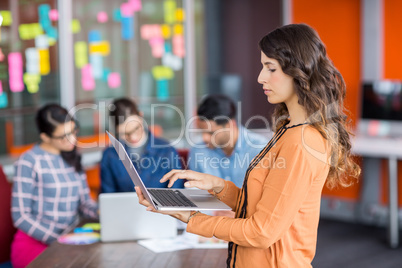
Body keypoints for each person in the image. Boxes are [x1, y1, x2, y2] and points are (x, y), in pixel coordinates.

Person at [136, 23, 361, 267]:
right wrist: (217, 185)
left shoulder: (300, 141)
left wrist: (192, 218)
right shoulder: (289, 130)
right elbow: (262, 207)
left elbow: (261, 231)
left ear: (298, 71)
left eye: (270, 68)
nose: (260, 77)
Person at [10, 104, 98, 268]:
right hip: (35, 245)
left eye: (73, 131)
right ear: (45, 137)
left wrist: (100, 211)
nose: (72, 139)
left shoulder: (72, 156)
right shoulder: (29, 161)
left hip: (69, 242)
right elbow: (20, 215)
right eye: (64, 136)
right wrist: (57, 239)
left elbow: (84, 203)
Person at [100, 97, 184, 193]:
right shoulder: (109, 155)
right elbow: (107, 196)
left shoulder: (167, 150)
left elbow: (177, 193)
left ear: (141, 116)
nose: (133, 137)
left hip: (159, 208)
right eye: (124, 133)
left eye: (136, 128)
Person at [188, 94, 268, 188]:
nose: (204, 138)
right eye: (202, 131)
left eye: (211, 133)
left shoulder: (260, 149)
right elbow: (194, 191)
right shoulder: (198, 151)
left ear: (230, 124)